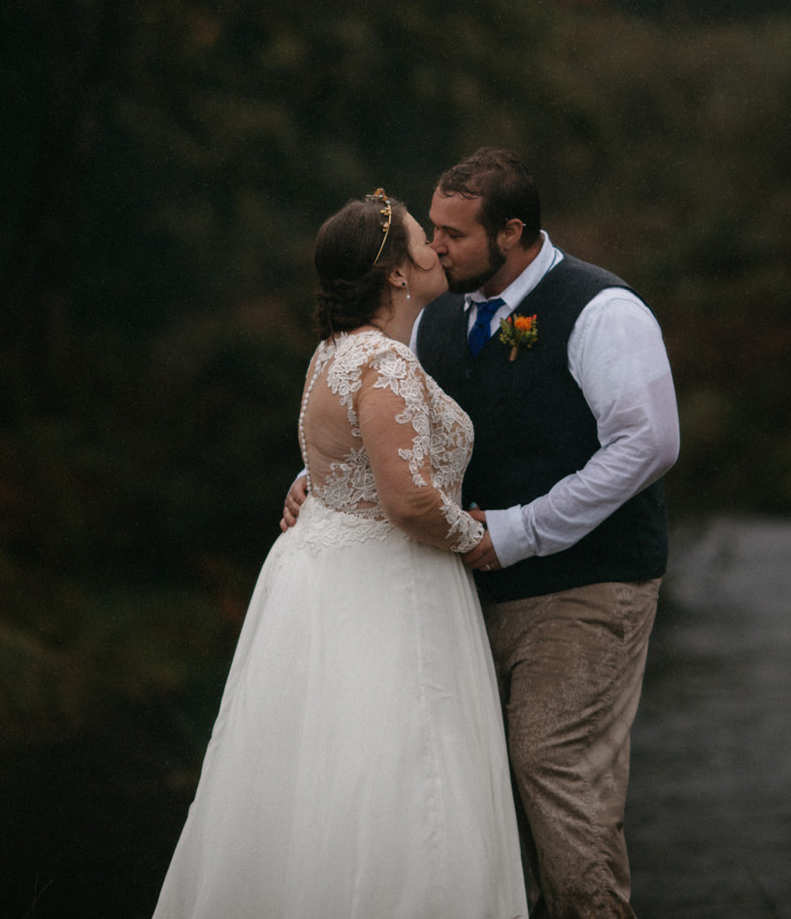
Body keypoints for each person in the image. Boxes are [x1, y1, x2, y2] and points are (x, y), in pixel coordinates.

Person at [286, 148, 680, 919]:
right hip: (463, 592)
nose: (433, 248)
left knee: (552, 762)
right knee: (476, 784)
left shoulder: (602, 309)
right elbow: (385, 429)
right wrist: (325, 481)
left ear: (513, 233)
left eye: (453, 235)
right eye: (429, 229)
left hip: (587, 581)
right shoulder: (432, 317)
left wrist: (525, 528)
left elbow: (649, 442)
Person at [153, 190, 527, 919]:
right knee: (403, 773)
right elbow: (407, 500)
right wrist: (477, 539)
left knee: (323, 773)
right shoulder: (384, 363)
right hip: (389, 586)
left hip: (328, 577)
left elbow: (336, 469)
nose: (434, 253)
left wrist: (308, 493)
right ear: (393, 273)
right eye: (422, 242)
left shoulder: (335, 352)